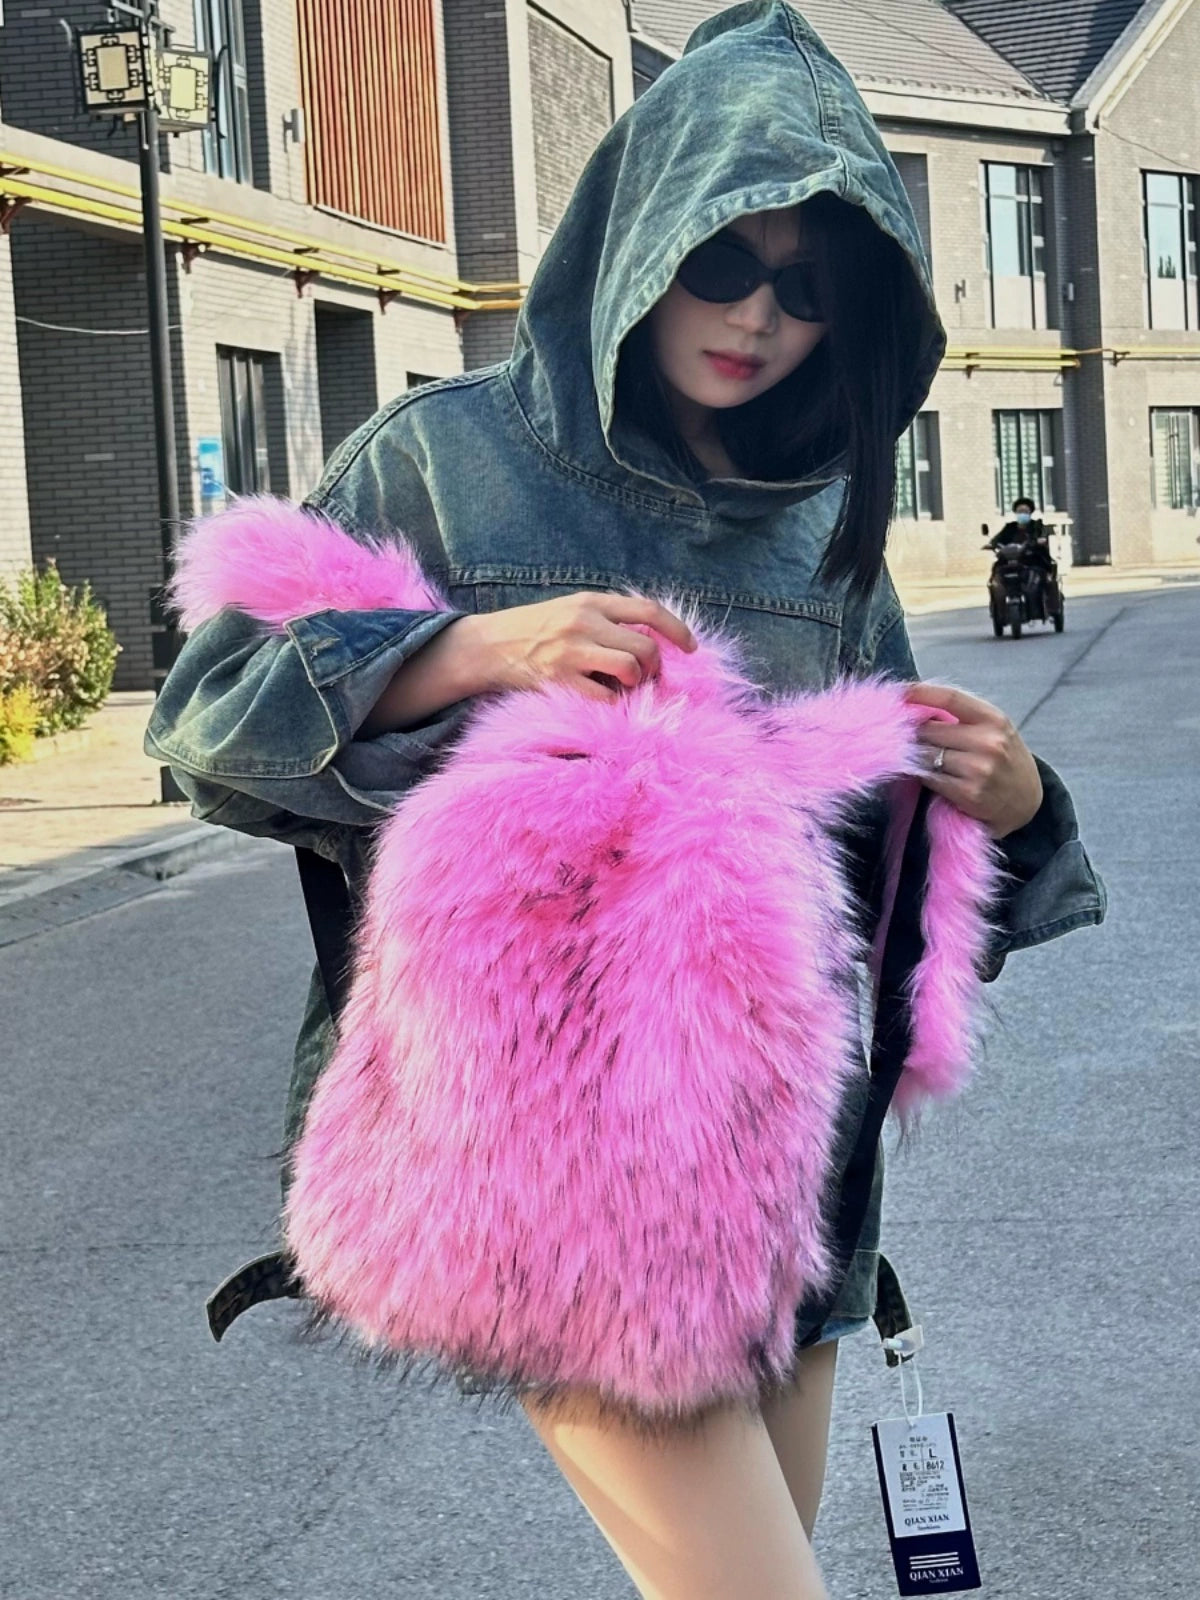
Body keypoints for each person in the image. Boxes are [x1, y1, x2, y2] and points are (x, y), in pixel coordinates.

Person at [146, 4, 1105, 1596]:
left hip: (788, 1184)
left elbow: (877, 895)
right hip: (549, 1176)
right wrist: (467, 650)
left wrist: (1010, 807)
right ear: (644, 231)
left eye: (811, 286)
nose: (760, 316)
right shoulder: (446, 463)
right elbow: (203, 728)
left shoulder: (817, 519)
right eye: (724, 258)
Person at [990, 497, 1057, 611]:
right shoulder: (1009, 527)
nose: (1022, 514)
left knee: (1048, 580)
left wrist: (1040, 541)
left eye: (1025, 511)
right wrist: (992, 544)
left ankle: (1052, 608)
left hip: (1033, 560)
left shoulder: (1037, 526)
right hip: (1011, 560)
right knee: (996, 577)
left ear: (1030, 512)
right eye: (1020, 511)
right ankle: (997, 608)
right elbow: (997, 539)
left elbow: (1044, 535)